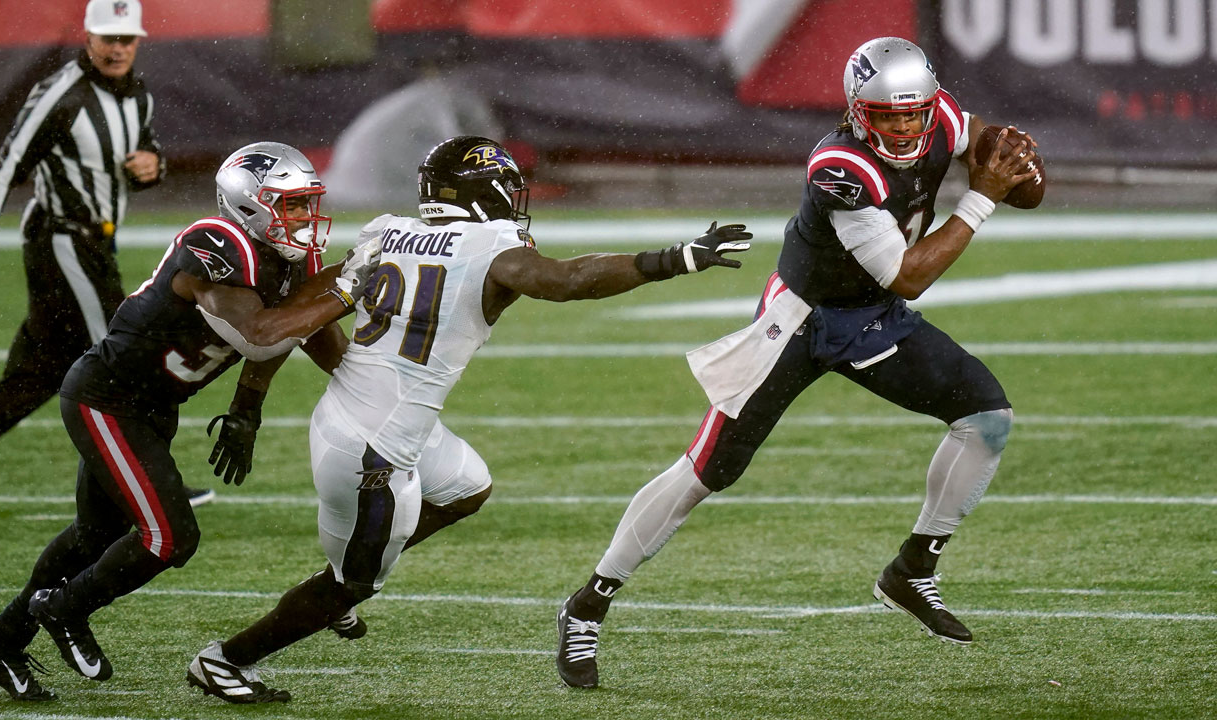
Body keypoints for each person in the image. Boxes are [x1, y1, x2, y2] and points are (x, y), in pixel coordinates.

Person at [184, 135, 752, 704]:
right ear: (484, 192)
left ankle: (343, 574)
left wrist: (249, 403)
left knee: (465, 487)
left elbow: (299, 314)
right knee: (352, 586)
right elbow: (567, 281)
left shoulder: (386, 231)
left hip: (368, 417)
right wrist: (671, 260)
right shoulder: (488, 246)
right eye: (506, 185)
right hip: (373, 445)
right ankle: (226, 659)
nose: (514, 197)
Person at [555, 36, 1039, 688]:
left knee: (987, 416)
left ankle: (913, 569)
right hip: (802, 320)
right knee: (708, 472)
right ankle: (588, 603)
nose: (903, 126)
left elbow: (1006, 167)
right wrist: (981, 197)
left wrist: (1020, 169)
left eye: (912, 113)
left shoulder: (943, 118)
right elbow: (908, 275)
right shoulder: (840, 167)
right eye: (887, 115)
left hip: (871, 318)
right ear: (857, 111)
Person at [0, 142, 383, 702]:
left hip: (153, 407)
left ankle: (2, 642)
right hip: (106, 399)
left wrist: (251, 409)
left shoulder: (286, 257)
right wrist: (346, 287)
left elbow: (302, 333)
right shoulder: (216, 243)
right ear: (251, 205)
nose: (305, 218)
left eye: (308, 204)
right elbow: (261, 335)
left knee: (93, 535)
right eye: (293, 205)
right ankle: (63, 610)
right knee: (168, 538)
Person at [0, 0, 211, 515]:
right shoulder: (61, 94)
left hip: (95, 243)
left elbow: (140, 159)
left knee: (40, 370)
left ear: (137, 41)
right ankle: (144, 480)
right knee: (124, 352)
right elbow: (6, 164)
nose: (117, 48)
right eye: (108, 38)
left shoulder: (137, 95)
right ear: (87, 37)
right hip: (60, 241)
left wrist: (153, 167)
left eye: (126, 39)